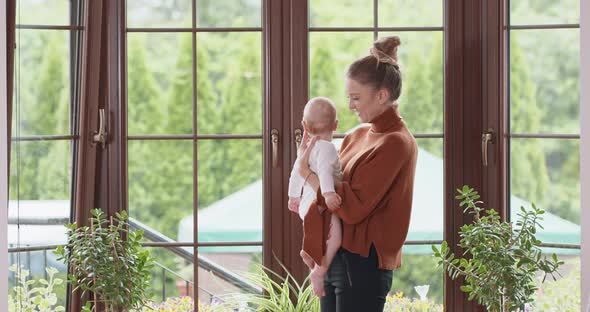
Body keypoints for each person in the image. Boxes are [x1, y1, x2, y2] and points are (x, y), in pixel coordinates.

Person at [297, 36, 418, 312]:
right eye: (348, 97)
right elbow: (329, 185)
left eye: (355, 97)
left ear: (382, 95)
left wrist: (309, 175)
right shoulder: (357, 135)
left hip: (363, 264)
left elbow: (351, 209)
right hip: (336, 258)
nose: (350, 105)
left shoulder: (396, 142)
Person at [287, 97, 343, 297]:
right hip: (317, 204)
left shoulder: (306, 149)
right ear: (335, 125)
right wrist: (328, 194)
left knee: (318, 232)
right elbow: (326, 172)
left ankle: (308, 252)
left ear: (304, 126)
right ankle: (319, 271)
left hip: (305, 204)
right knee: (335, 237)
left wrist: (293, 196)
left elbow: (296, 171)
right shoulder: (327, 148)